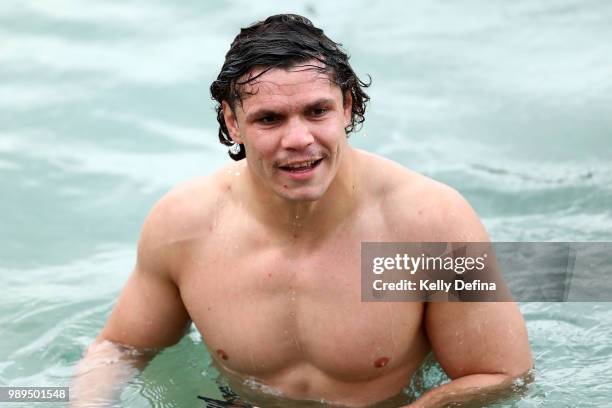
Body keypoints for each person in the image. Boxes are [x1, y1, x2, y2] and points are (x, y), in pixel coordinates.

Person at [72, 14, 532, 408]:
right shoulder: (184, 226)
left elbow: (501, 373)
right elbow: (121, 347)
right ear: (233, 122)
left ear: (347, 107)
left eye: (317, 111)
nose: (298, 140)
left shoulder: (430, 223)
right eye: (269, 119)